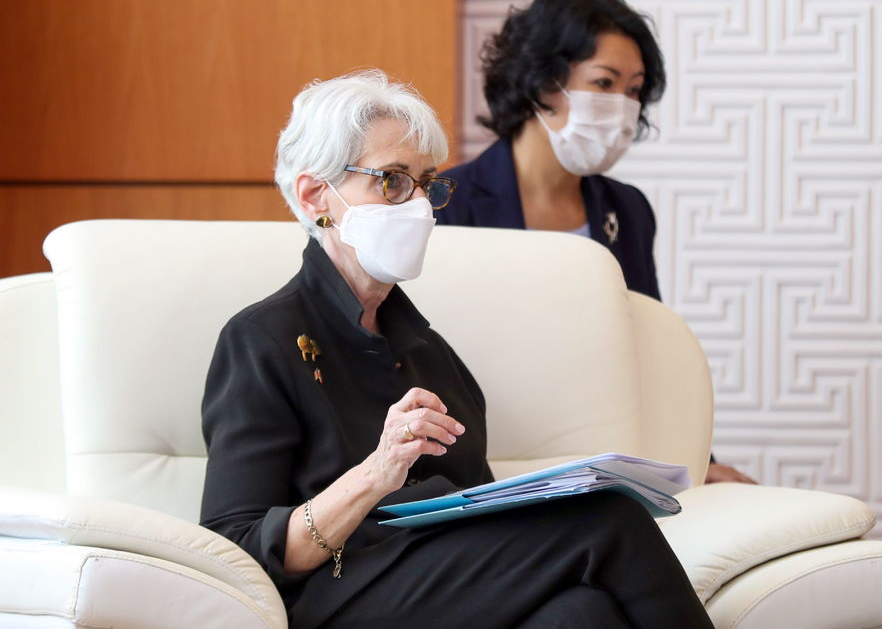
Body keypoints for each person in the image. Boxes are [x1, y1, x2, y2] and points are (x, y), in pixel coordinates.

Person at [199, 69, 714, 628]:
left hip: (441, 584)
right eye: (393, 181)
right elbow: (238, 548)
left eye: (427, 184)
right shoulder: (261, 339)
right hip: (335, 594)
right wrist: (377, 472)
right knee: (610, 518)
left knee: (582, 614)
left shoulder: (431, 354)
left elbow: (482, 517)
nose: (420, 204)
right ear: (315, 194)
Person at [438, 0, 754, 485]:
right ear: (543, 83)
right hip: (484, 458)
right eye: (605, 83)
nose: (623, 107)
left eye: (634, 90)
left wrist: (699, 460)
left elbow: (651, 348)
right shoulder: (447, 202)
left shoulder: (627, 209)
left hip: (606, 457)